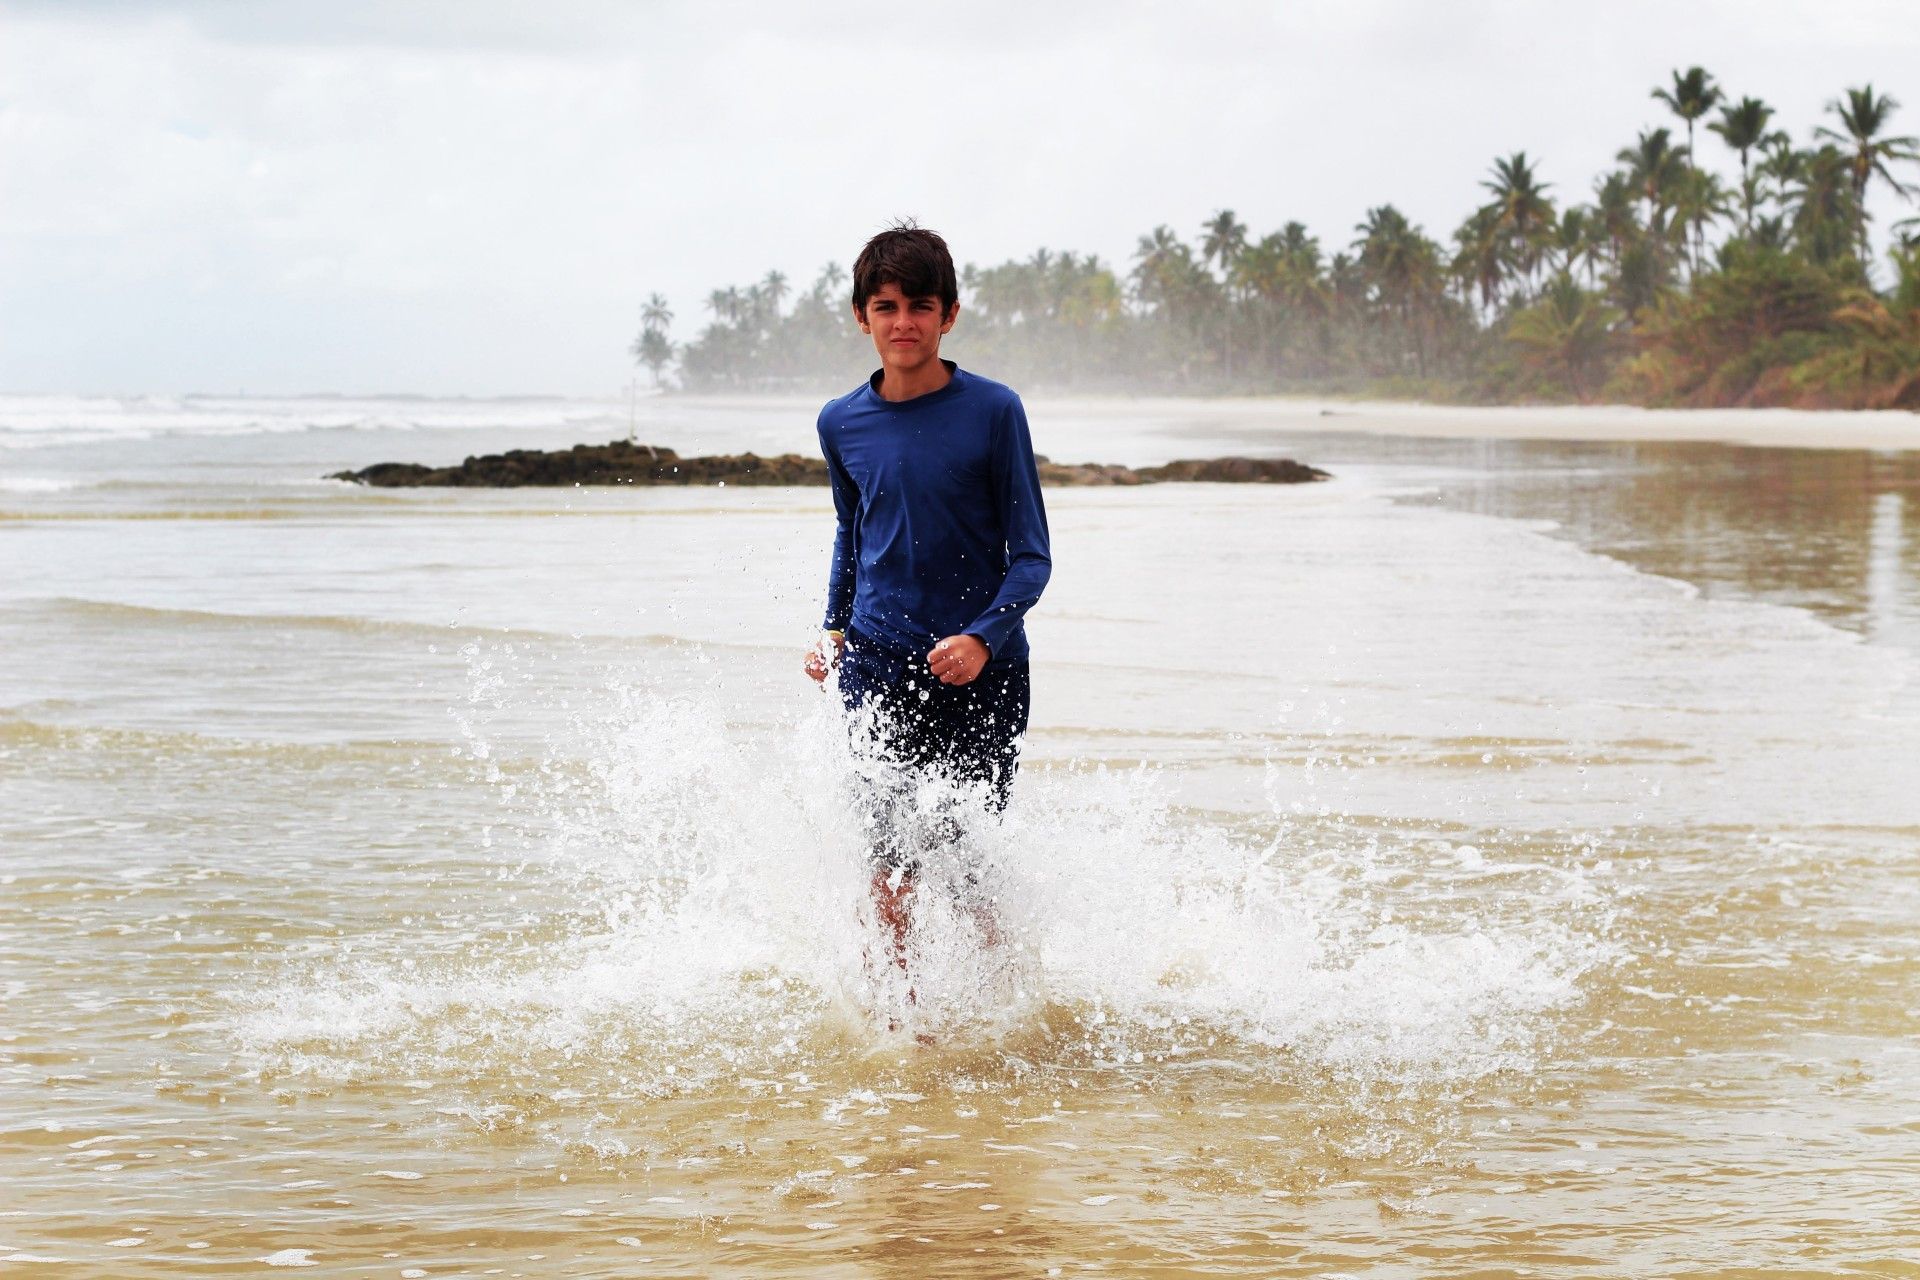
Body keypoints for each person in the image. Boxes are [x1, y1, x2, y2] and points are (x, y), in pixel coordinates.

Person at [802, 222, 1052, 978]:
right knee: (885, 861)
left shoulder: (994, 411)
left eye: (920, 306)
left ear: (948, 315)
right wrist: (835, 627)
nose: (902, 323)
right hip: (876, 664)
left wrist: (982, 637)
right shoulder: (840, 422)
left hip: (985, 673)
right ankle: (901, 1027)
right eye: (886, 306)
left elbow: (1032, 557)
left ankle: (1003, 1006)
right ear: (860, 316)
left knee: (964, 855)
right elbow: (853, 531)